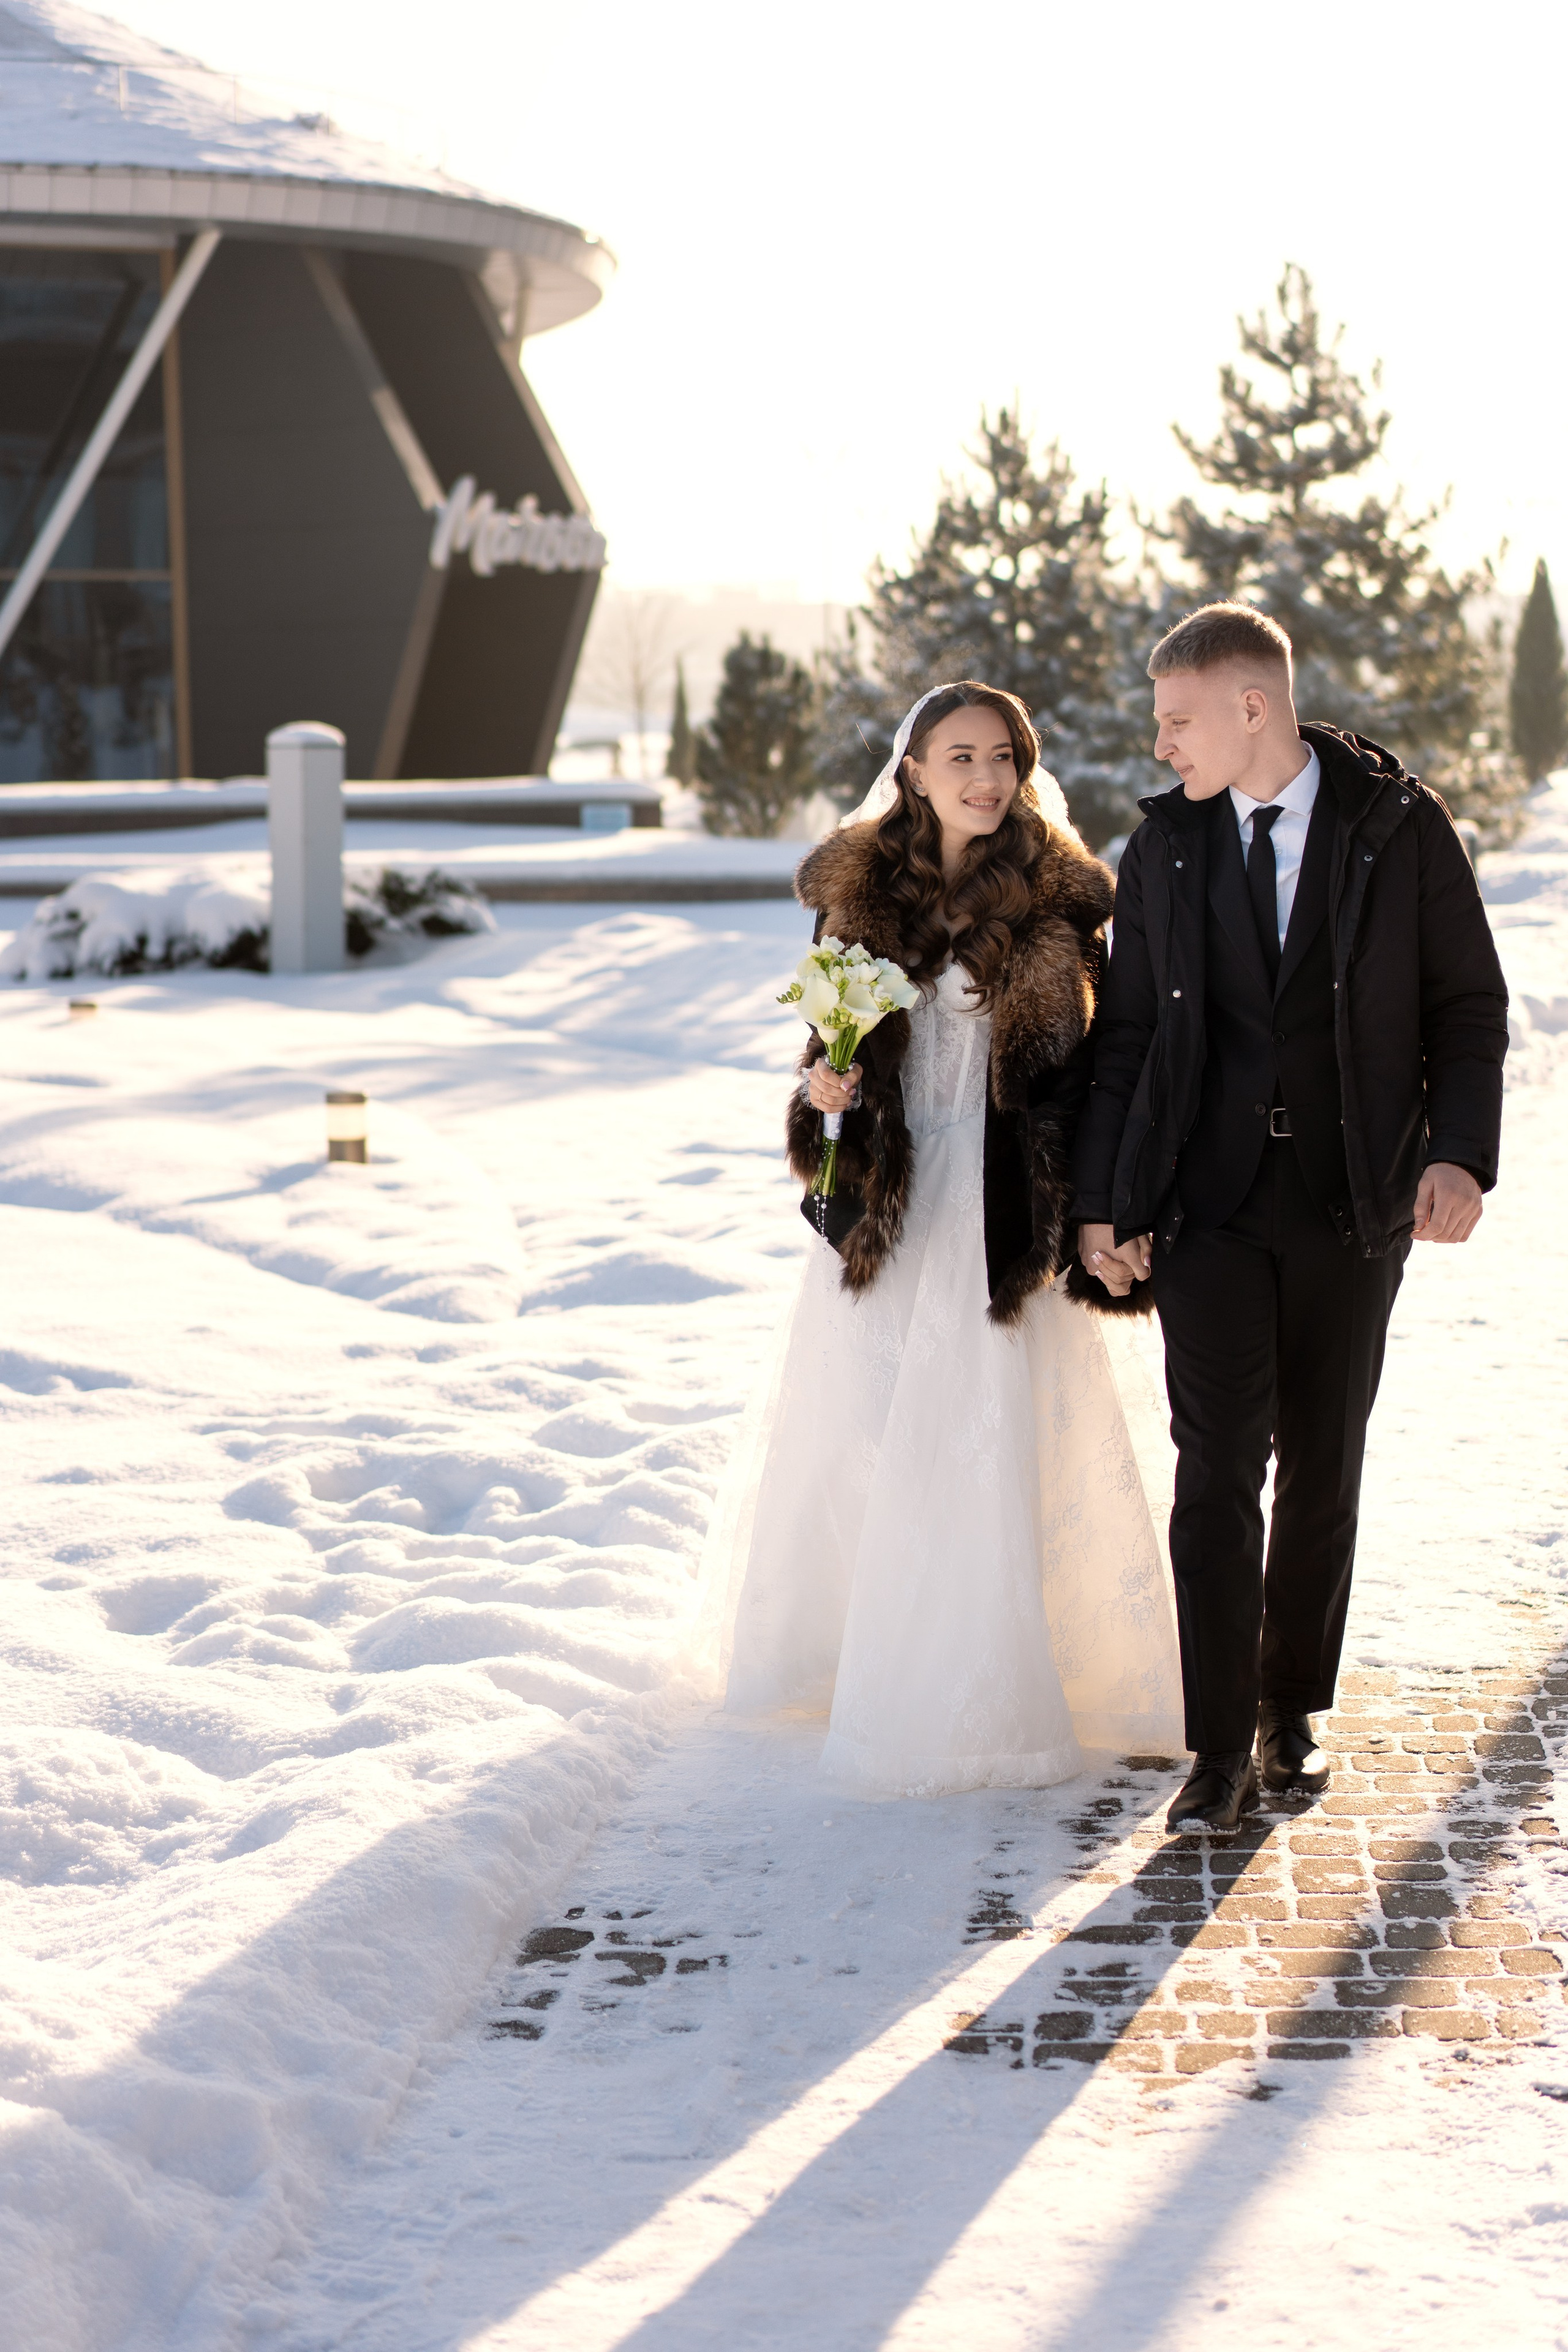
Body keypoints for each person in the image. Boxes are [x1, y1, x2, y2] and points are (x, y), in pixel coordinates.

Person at [699, 681, 1184, 1799]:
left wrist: (1106, 1209)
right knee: (870, 1429)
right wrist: (822, 1088)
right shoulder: (858, 901)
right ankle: (851, 1656)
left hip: (1008, 1207)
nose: (984, 776)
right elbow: (829, 1073)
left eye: (1003, 755)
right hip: (898, 1203)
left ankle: (1002, 1683)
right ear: (912, 770)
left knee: (995, 1428)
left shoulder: (1065, 905)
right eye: (958, 755)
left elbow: (1100, 1075)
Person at [1072, 604, 1509, 1834]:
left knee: (1322, 1460)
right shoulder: (1159, 853)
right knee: (1214, 1472)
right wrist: (1108, 1204)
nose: (1159, 745)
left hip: (1350, 1201)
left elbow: (1465, 1007)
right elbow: (1131, 1041)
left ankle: (1286, 1710)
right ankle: (1214, 1749)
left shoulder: (1398, 827)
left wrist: (1459, 1156)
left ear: (1248, 706)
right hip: (1206, 1206)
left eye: (1175, 719)